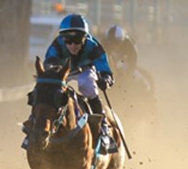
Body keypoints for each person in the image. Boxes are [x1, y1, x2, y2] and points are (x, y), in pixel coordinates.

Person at [25, 13, 118, 153]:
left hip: (85, 70)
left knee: (87, 86)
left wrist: (106, 79)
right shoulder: (57, 44)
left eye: (77, 41)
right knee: (46, 89)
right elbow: (49, 62)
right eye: (68, 41)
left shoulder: (93, 46)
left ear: (85, 38)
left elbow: (104, 67)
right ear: (63, 38)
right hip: (62, 71)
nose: (73, 45)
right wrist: (56, 70)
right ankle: (32, 125)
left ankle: (103, 128)